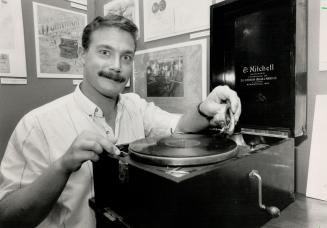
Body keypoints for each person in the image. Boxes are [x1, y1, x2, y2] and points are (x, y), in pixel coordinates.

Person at [0, 14, 241, 228]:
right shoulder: (36, 124)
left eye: (126, 57)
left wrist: (205, 109)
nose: (117, 66)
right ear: (83, 56)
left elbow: (179, 127)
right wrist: (62, 166)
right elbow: (7, 218)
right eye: (105, 52)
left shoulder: (136, 106)